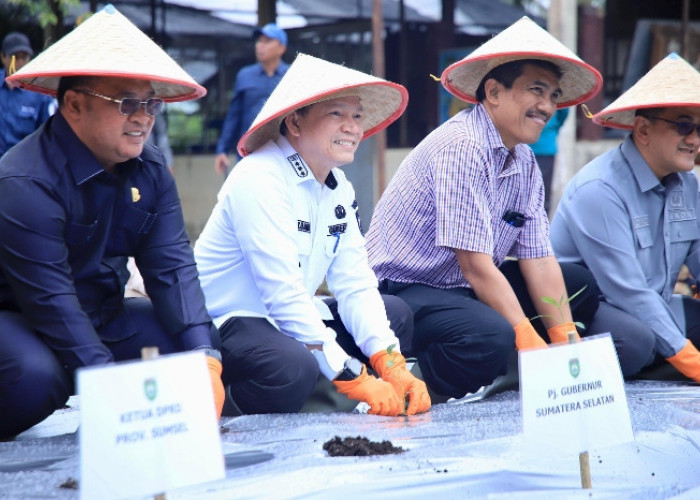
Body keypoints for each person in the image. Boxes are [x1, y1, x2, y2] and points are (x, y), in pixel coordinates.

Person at [0, 5, 224, 440]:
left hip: (103, 312)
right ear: (74, 104)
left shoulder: (152, 169)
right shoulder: (24, 181)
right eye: (127, 103)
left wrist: (206, 357)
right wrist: (120, 400)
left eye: (150, 103)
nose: (143, 118)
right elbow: (52, 302)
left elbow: (173, 266)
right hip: (18, 317)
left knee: (194, 346)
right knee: (37, 379)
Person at [365, 16, 605, 401]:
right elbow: (475, 266)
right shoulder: (462, 146)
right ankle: (417, 387)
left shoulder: (524, 160)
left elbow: (539, 259)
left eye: (554, 96)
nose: (547, 106)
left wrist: (566, 342)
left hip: (465, 287)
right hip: (406, 288)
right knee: (491, 334)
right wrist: (529, 341)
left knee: (579, 287)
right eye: (536, 91)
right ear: (493, 92)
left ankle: (524, 364)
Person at [195, 53, 431, 417]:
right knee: (291, 368)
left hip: (287, 322)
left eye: (356, 116)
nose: (352, 127)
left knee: (394, 314)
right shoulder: (259, 177)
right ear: (295, 122)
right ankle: (227, 408)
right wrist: (354, 376)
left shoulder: (338, 186)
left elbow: (354, 282)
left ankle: (321, 388)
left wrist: (391, 362)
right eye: (337, 114)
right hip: (230, 323)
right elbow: (282, 295)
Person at [551, 52, 700, 383]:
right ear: (643, 130)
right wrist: (692, 361)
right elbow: (628, 292)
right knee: (636, 342)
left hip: (652, 305)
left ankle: (662, 357)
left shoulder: (688, 184)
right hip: (591, 312)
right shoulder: (599, 190)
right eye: (684, 126)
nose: (694, 140)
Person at [214, 23, 289, 176]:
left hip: (284, 150)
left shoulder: (291, 75)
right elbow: (233, 116)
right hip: (249, 150)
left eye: (267, 41)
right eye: (259, 41)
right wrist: (222, 149)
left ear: (282, 48)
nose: (260, 45)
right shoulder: (245, 75)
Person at [0, 31, 55, 157]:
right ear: (3, 57)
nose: (19, 63)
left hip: (22, 166)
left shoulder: (39, 92)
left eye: (24, 57)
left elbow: (47, 136)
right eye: (14, 57)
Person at [530, 106, 569, 215]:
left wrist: (553, 127)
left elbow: (564, 111)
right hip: (540, 146)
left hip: (545, 148)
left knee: (542, 195)